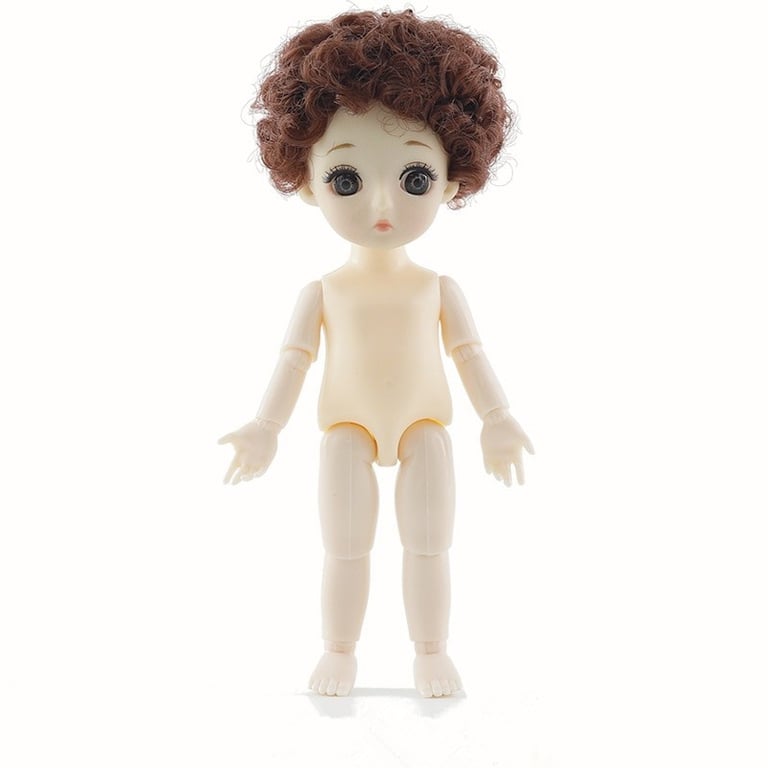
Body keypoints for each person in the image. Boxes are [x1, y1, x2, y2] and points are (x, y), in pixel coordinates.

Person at [219, 9, 533, 698]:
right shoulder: (323, 291)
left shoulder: (438, 288)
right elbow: (293, 361)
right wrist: (266, 427)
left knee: (429, 544)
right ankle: (339, 652)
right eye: (347, 179)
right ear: (308, 183)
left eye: (415, 177)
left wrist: (498, 417)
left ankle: (431, 653)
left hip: (424, 424)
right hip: (347, 427)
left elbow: (469, 354)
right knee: (345, 546)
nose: (383, 204)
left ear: (451, 181)